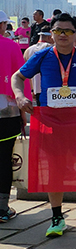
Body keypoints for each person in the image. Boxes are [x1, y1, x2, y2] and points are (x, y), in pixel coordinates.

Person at [11, 13, 76, 237]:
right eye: (58, 30)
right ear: (51, 33)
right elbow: (17, 77)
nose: (62, 35)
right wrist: (20, 96)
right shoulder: (42, 56)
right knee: (54, 169)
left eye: (67, 31)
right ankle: (57, 217)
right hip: (52, 123)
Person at [0, 11, 30, 222]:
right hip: (7, 112)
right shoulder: (11, 46)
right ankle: (2, 207)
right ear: (3, 25)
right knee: (4, 158)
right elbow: (20, 80)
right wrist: (23, 114)